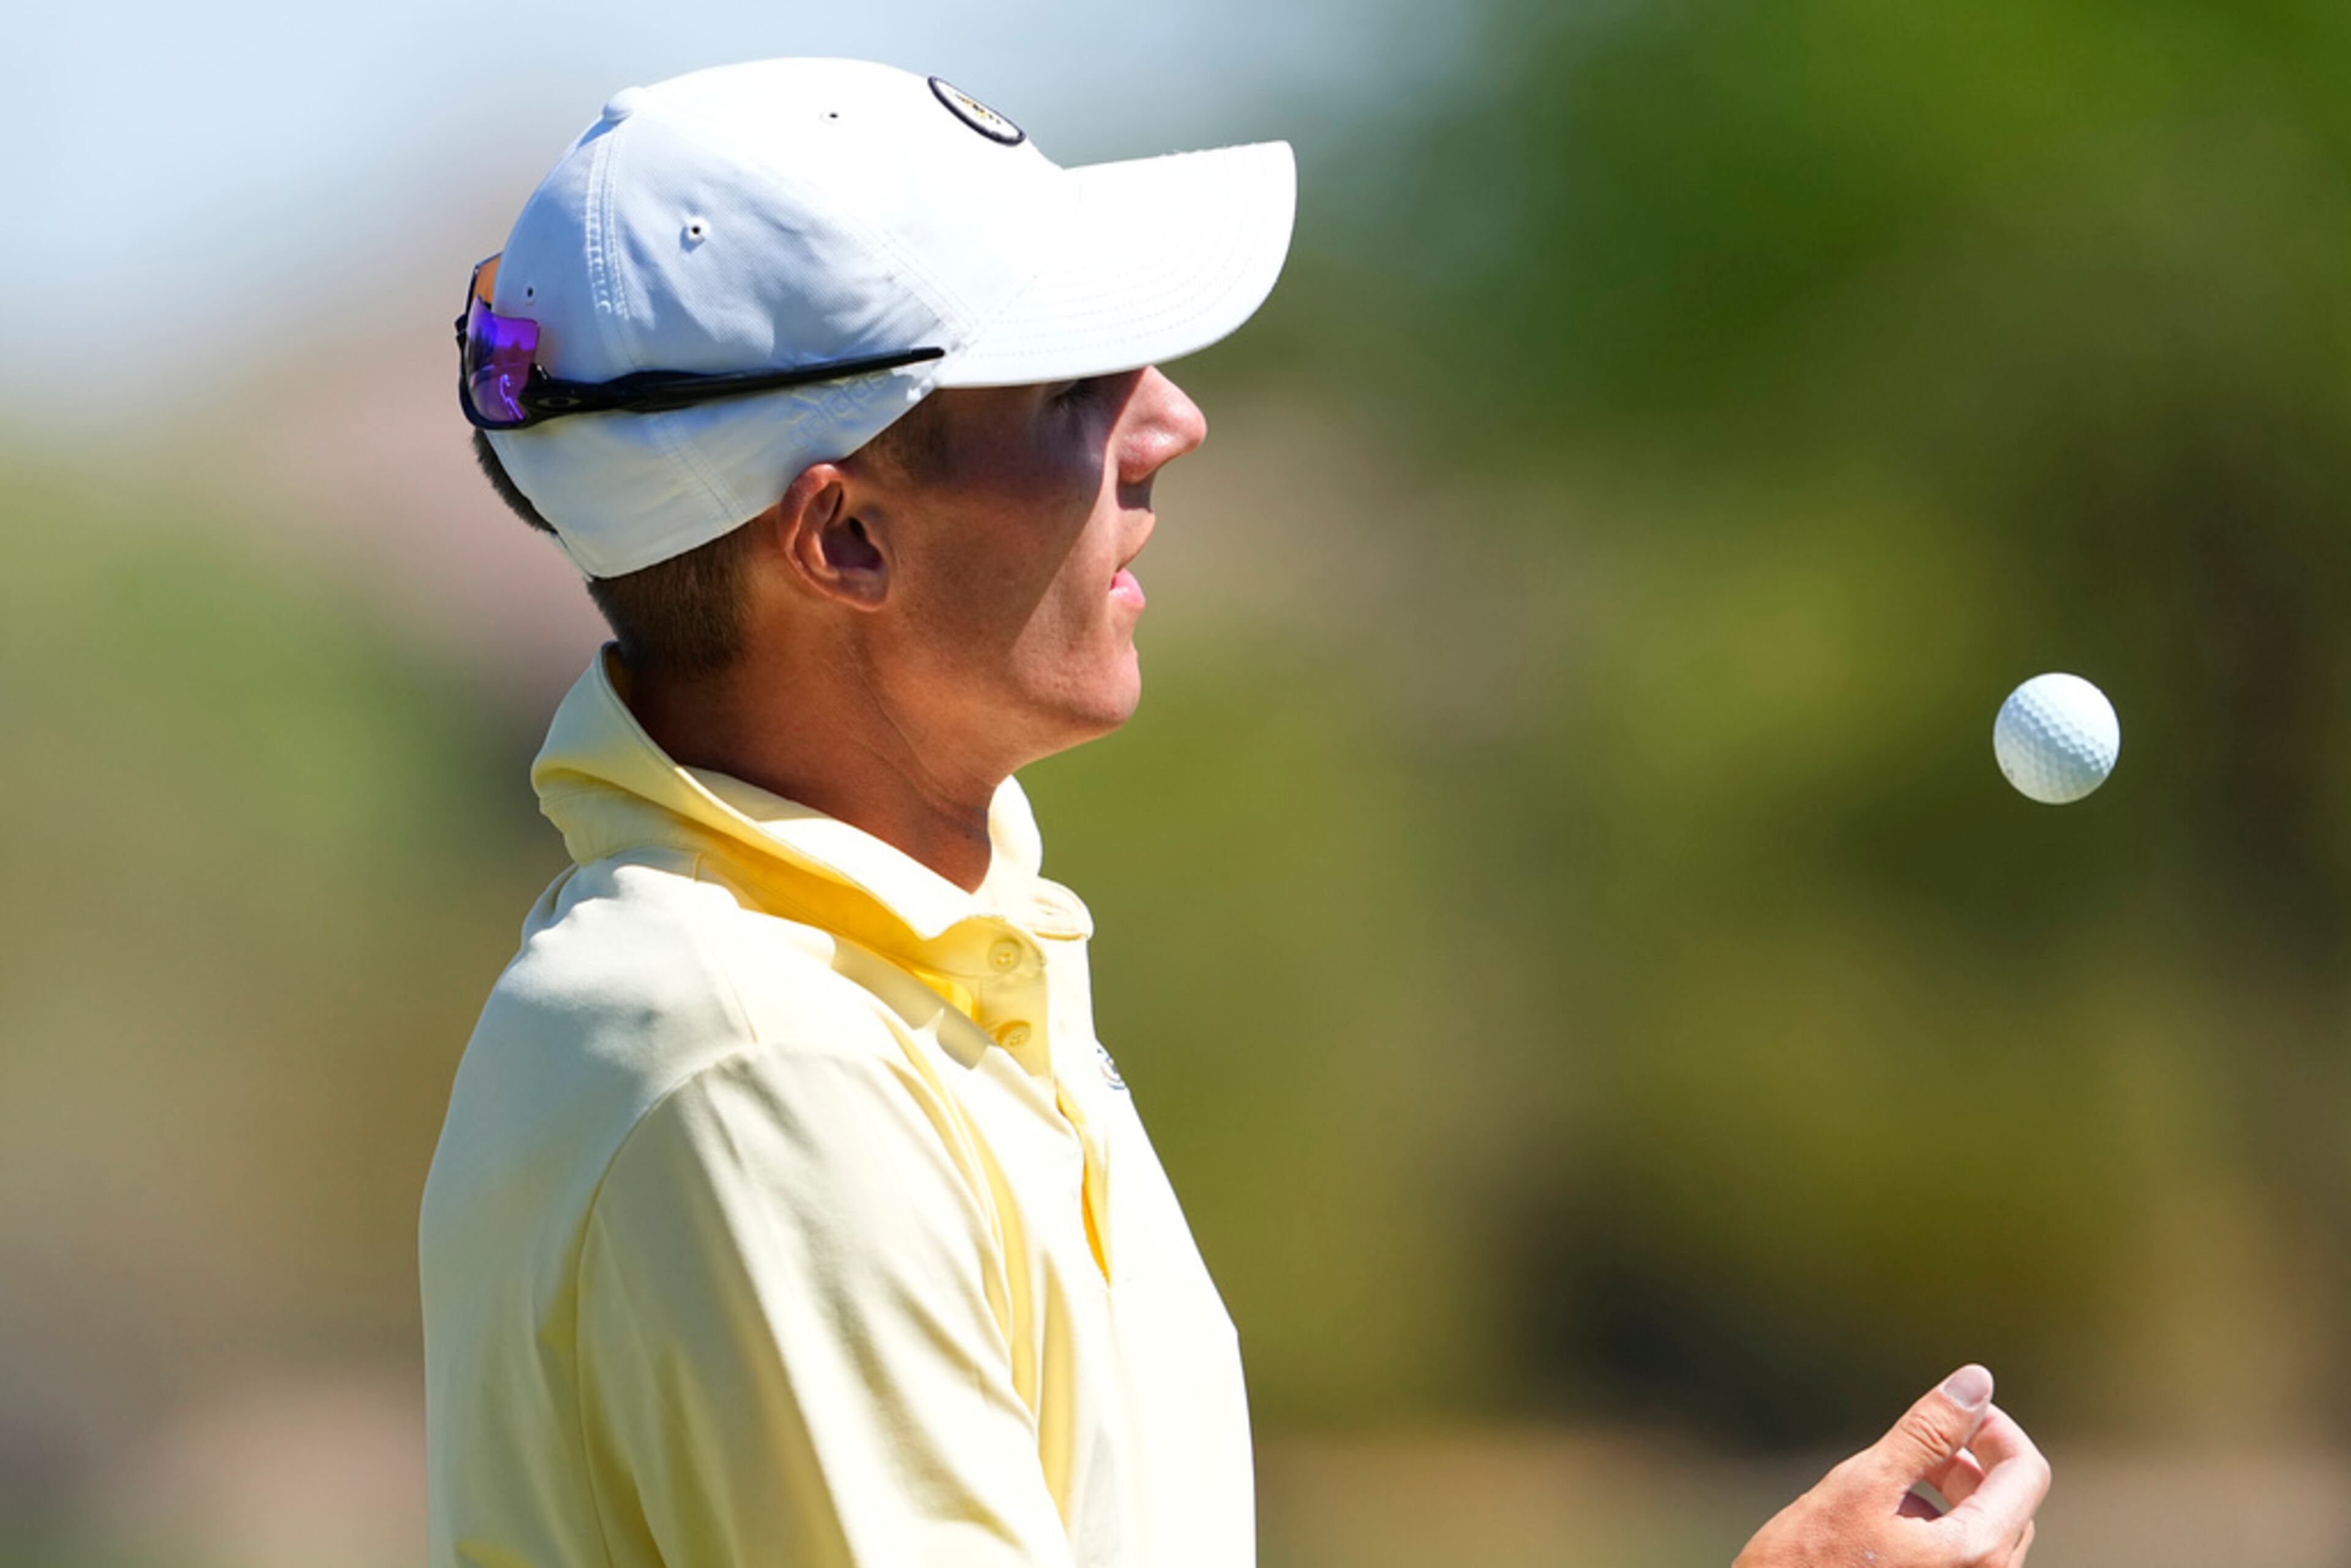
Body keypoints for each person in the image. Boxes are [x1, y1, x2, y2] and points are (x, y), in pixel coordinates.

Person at [419, 57, 2050, 1568]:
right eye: (1067, 391)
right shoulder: (762, 1060)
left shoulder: (903, 974)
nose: (1169, 420)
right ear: (840, 537)